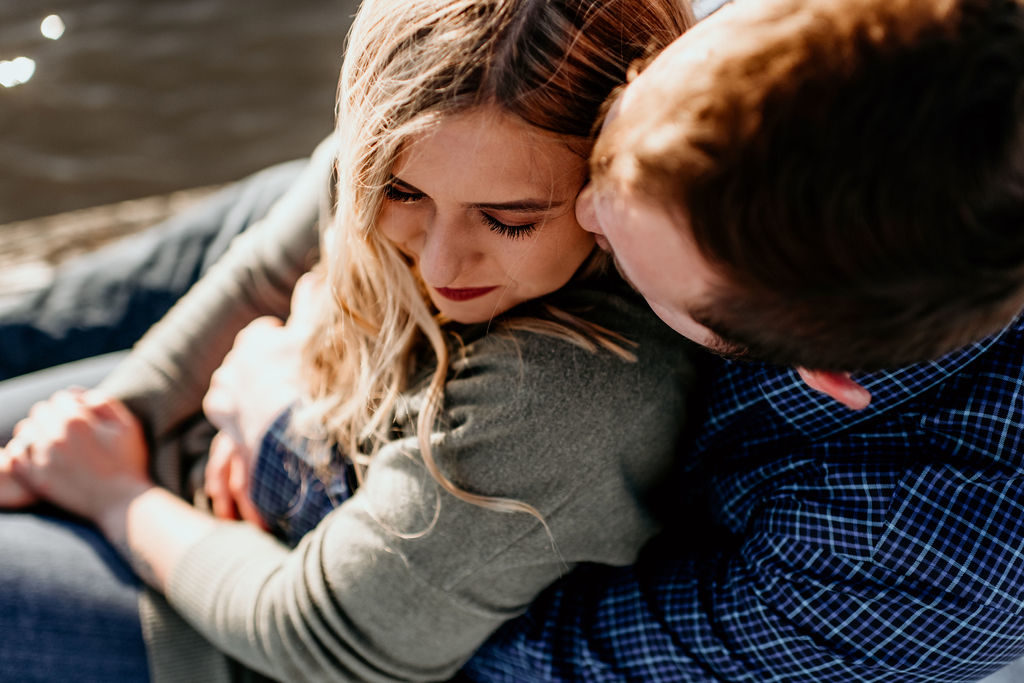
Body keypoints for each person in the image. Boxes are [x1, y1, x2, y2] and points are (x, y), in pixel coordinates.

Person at [0, 0, 696, 681]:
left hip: (228, 632)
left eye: (507, 220)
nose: (441, 264)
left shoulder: (566, 402)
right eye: (401, 193)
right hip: (184, 471)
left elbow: (316, 640)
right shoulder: (421, 125)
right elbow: (263, 274)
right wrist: (106, 424)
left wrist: (113, 493)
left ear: (612, 181)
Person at [459, 0, 1024, 680]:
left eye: (630, 256)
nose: (582, 207)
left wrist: (296, 430)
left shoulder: (916, 568)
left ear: (822, 371)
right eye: (632, 91)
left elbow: (551, 656)